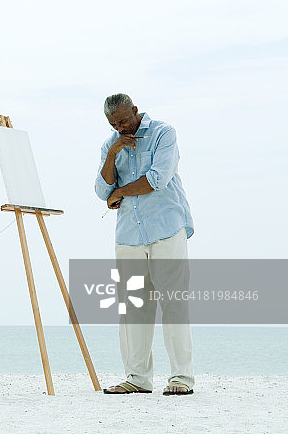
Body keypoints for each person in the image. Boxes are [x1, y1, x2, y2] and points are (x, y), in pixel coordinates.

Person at [94, 93, 195, 396]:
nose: (121, 127)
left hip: (166, 229)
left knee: (174, 305)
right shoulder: (111, 143)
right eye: (114, 124)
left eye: (124, 120)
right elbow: (102, 189)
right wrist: (113, 153)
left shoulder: (164, 133)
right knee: (133, 309)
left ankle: (181, 378)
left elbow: (157, 179)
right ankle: (137, 378)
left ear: (135, 111)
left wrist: (120, 192)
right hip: (129, 236)